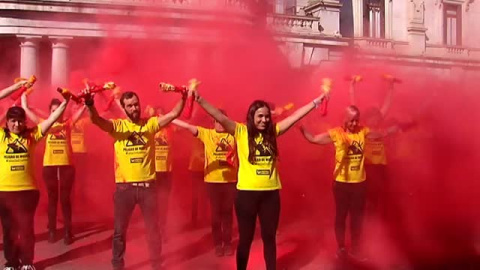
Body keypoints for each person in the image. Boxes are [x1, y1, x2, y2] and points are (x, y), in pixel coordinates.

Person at [192, 90, 327, 270]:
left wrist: (316, 102)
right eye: (260, 116)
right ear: (251, 116)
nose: (264, 120)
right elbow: (218, 116)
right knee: (245, 239)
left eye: (266, 117)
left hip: (270, 195)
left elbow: (295, 116)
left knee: (269, 238)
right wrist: (199, 98)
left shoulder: (274, 131)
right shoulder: (240, 131)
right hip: (246, 196)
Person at [83, 87, 190, 270]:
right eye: (130, 106)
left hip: (148, 187)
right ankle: (118, 265)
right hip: (125, 188)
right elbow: (96, 120)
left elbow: (173, 114)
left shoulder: (150, 124)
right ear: (124, 108)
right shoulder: (118, 127)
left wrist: (184, 96)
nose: (134, 108)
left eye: (136, 104)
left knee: (153, 230)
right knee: (119, 232)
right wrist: (90, 104)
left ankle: (156, 264)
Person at [299, 105, 399, 261]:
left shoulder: (362, 131)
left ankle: (356, 248)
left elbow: (376, 134)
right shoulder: (336, 133)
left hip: (360, 183)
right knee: (341, 216)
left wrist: (388, 132)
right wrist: (299, 126)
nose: (354, 124)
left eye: (356, 121)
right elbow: (313, 139)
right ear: (344, 119)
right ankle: (341, 248)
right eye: (351, 121)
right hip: (341, 184)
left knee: (357, 217)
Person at [0, 91, 70, 270]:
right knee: (9, 231)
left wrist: (66, 102)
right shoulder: (1, 137)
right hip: (4, 192)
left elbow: (51, 120)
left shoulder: (32, 136)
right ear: (6, 123)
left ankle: (27, 262)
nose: (16, 124)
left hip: (27, 192)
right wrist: (16, 87)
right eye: (13, 121)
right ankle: (11, 263)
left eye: (20, 121)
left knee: (25, 229)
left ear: (25, 122)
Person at [172, 109, 237, 257]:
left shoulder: (235, 134)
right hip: (212, 182)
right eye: (217, 121)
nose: (220, 124)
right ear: (213, 122)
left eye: (222, 121)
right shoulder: (207, 134)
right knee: (215, 215)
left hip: (230, 181)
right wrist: (170, 118)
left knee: (227, 214)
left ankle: (227, 244)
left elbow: (252, 126)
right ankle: (217, 244)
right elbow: (188, 127)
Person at [22, 95, 86, 245]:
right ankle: (51, 230)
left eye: (59, 111)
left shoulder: (68, 123)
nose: (57, 114)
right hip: (49, 165)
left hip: (66, 165)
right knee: (52, 199)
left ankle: (67, 231)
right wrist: (24, 95)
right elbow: (27, 111)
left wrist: (87, 99)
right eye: (53, 111)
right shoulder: (44, 124)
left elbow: (83, 110)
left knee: (65, 199)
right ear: (50, 112)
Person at [349, 76, 395, 212]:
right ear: (367, 117)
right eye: (373, 117)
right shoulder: (361, 127)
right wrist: (352, 87)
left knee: (378, 197)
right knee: (364, 196)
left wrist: (391, 87)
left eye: (377, 117)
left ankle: (374, 218)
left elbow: (387, 104)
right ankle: (362, 218)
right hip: (366, 167)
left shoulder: (380, 127)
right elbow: (353, 105)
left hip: (380, 167)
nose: (375, 120)